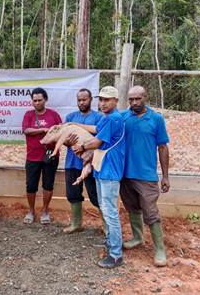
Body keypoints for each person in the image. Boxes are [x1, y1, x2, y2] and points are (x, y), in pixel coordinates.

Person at [73, 86, 125, 268]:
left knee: (110, 212)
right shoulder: (106, 118)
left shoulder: (114, 119)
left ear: (116, 101)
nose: (103, 103)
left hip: (110, 171)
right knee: (105, 207)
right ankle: (111, 244)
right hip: (102, 169)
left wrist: (82, 147)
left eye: (107, 100)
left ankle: (116, 254)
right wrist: (76, 125)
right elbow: (95, 128)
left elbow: (97, 141)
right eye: (101, 100)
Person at [120, 85, 170, 267]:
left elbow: (163, 147)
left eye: (137, 99)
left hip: (146, 175)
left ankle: (159, 249)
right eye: (131, 100)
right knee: (132, 207)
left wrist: (165, 176)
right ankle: (137, 237)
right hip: (125, 174)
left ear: (145, 97)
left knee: (150, 211)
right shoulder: (123, 117)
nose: (133, 102)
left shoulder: (156, 119)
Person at [63, 88, 102, 233]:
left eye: (84, 99)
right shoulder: (70, 117)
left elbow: (101, 136)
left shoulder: (99, 117)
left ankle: (106, 225)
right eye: (79, 100)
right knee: (72, 193)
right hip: (72, 162)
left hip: (92, 163)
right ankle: (76, 224)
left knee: (95, 195)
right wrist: (69, 142)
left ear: (91, 99)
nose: (81, 102)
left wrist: (85, 146)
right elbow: (64, 137)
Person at [22, 87, 62, 225]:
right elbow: (26, 130)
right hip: (32, 156)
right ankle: (31, 211)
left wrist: (53, 135)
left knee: (48, 185)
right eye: (34, 100)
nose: (37, 103)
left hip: (50, 156)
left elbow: (60, 131)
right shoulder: (28, 114)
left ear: (45, 99)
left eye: (40, 100)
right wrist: (43, 130)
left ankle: (45, 211)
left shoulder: (54, 115)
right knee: (31, 186)